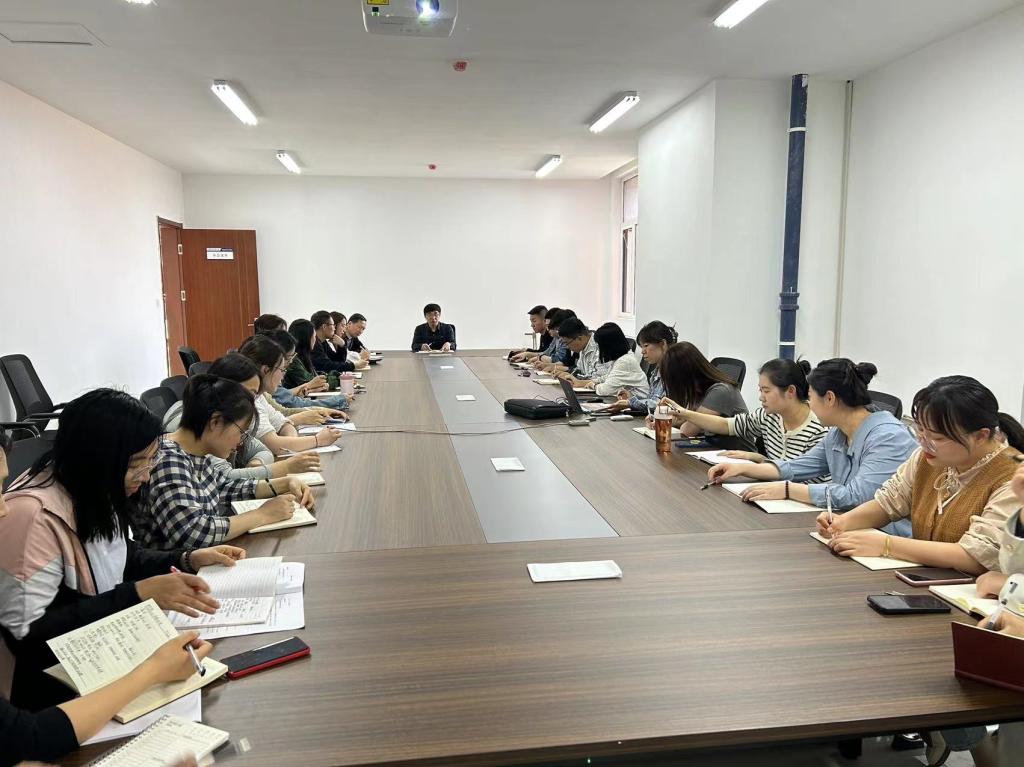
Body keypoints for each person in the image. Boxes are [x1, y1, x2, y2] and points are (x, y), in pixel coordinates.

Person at [0, 396, 242, 712]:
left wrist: (186, 558)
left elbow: (121, 555)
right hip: (52, 694)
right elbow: (28, 636)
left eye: (150, 461)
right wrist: (137, 594)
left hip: (102, 656)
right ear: (99, 458)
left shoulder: (92, 488)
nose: (146, 476)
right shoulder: (32, 517)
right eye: (137, 464)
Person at [816, 376, 1023, 576]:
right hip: (929, 579)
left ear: (980, 436)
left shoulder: (1013, 477)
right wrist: (844, 522)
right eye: (920, 430)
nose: (924, 443)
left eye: (937, 438)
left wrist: (887, 545)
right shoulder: (929, 457)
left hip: (975, 592)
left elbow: (977, 556)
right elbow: (889, 502)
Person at [707, 359, 916, 514]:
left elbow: (858, 497)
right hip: (850, 528)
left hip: (888, 538)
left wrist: (788, 489)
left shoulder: (888, 437)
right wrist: (742, 468)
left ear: (830, 398)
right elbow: (797, 466)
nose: (809, 405)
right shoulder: (838, 433)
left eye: (810, 397)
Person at [136, 375, 314, 550]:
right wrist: (262, 514)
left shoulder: (197, 452)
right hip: (178, 566)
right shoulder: (168, 459)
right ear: (215, 422)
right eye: (240, 432)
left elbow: (223, 487)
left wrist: (284, 483)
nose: (240, 442)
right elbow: (193, 532)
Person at [163, 354, 320, 480]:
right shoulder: (201, 422)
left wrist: (256, 465)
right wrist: (284, 468)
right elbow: (224, 479)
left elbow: (261, 450)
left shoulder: (228, 416)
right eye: (249, 393)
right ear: (225, 386)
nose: (253, 401)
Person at [658, 359, 828, 469]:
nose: (761, 397)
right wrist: (685, 413)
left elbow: (804, 478)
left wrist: (758, 460)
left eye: (766, 391)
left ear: (790, 391)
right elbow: (727, 425)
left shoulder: (818, 430)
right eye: (760, 390)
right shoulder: (768, 416)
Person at [237, 334, 346, 457]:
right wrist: (318, 440)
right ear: (265, 370)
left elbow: (285, 425)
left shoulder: (258, 397)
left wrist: (290, 443)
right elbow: (277, 445)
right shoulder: (247, 400)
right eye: (282, 369)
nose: (283, 376)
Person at [650, 342, 747, 436]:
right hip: (711, 444)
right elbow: (685, 420)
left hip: (732, 447)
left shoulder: (720, 391)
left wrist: (670, 419)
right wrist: (660, 420)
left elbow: (687, 431)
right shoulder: (698, 391)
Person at [264, 328, 350, 413]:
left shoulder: (304, 356)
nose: (290, 361)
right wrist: (338, 396)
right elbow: (292, 404)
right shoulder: (291, 364)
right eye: (314, 337)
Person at [558, 322, 648, 398]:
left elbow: (606, 390)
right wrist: (587, 382)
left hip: (639, 407)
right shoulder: (619, 359)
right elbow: (607, 378)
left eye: (600, 345)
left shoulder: (625, 361)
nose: (599, 349)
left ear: (608, 345)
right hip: (628, 402)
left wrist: (593, 385)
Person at [610, 320, 676, 413]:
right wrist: (631, 397)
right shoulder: (656, 372)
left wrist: (630, 403)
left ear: (663, 344)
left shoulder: (675, 370)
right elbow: (652, 400)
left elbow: (662, 406)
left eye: (646, 346)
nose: (642, 351)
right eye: (641, 347)